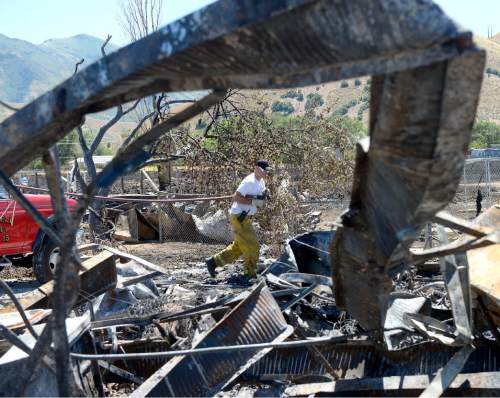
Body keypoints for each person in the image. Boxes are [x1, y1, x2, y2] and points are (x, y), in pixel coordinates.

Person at [206, 160, 271, 278]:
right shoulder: (249, 181)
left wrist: (265, 194)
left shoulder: (261, 181)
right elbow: (236, 197)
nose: (265, 174)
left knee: (240, 247)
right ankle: (249, 274)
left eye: (266, 172)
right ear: (256, 168)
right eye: (263, 171)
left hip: (246, 217)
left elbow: (260, 194)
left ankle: (213, 262)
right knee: (252, 246)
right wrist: (252, 201)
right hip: (239, 217)